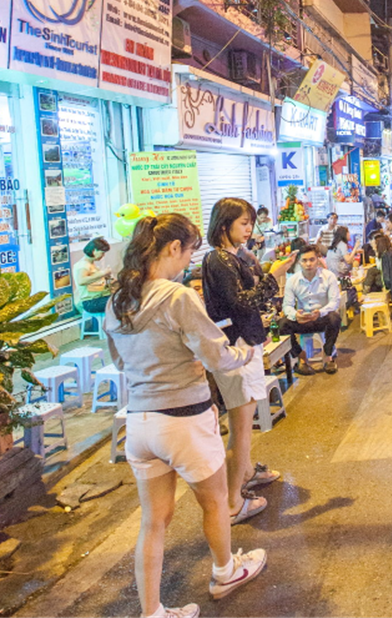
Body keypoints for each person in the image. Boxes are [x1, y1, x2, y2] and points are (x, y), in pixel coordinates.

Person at [104, 214, 266, 618]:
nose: (190, 260)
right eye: (189, 251)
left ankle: (153, 611)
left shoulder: (119, 300)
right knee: (215, 503)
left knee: (153, 522)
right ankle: (226, 572)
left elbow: (120, 361)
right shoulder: (177, 297)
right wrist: (244, 353)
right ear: (173, 248)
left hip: (140, 423)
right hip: (184, 420)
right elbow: (215, 355)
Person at [201, 198, 293, 525]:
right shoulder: (218, 259)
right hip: (235, 347)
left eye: (251, 222)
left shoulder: (232, 257)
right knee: (241, 425)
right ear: (223, 225)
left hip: (245, 343)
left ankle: (247, 473)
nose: (249, 229)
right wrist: (274, 276)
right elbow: (242, 302)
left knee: (246, 417)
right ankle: (232, 502)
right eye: (243, 223)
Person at [281, 243, 343, 375]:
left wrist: (320, 312)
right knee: (281, 324)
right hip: (303, 320)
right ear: (299, 262)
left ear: (318, 260)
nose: (308, 264)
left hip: (322, 319)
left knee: (335, 318)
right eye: (304, 260)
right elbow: (287, 306)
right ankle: (300, 356)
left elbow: (334, 302)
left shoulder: (328, 276)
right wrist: (296, 315)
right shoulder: (292, 280)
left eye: (312, 259)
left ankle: (328, 355)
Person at [74, 237, 114, 314]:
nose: (103, 256)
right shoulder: (83, 265)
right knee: (121, 301)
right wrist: (103, 273)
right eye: (102, 253)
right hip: (91, 302)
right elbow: (81, 281)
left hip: (98, 298)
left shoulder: (90, 264)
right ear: (94, 251)